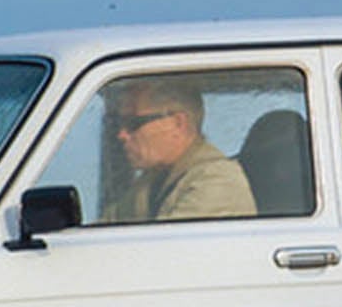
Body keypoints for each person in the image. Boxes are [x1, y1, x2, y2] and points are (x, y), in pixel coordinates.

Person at [98, 76, 256, 223]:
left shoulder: (218, 182)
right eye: (119, 123)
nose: (122, 134)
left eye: (133, 123)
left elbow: (162, 249)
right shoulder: (149, 184)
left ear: (178, 124)